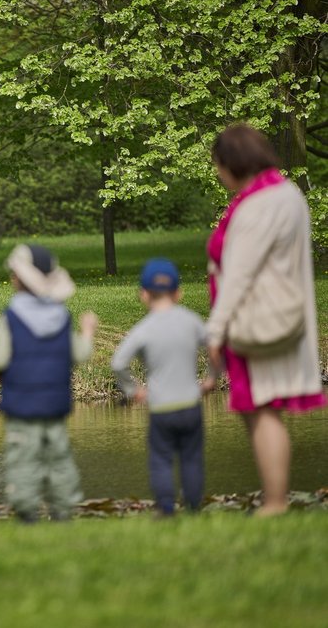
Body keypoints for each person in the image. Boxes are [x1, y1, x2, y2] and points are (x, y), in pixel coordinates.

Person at [205, 124, 326, 517]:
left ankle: (274, 501)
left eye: (219, 166)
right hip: (278, 311)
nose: (219, 175)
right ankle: (274, 496)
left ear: (232, 163)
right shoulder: (286, 194)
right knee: (261, 407)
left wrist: (216, 328)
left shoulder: (260, 204)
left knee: (262, 407)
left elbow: (239, 273)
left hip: (256, 316)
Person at [0, 244, 97, 522]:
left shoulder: (12, 317)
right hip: (55, 404)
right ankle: (63, 510)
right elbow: (80, 353)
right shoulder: (62, 316)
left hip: (22, 405)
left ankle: (28, 512)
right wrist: (88, 332)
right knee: (59, 458)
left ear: (18, 279)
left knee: (23, 460)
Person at [111, 259, 218, 516]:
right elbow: (214, 347)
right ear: (179, 293)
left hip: (161, 408)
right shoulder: (191, 320)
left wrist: (132, 390)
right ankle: (193, 507)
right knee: (191, 458)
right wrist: (211, 378)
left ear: (143, 295)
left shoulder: (143, 329)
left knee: (161, 459)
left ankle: (167, 508)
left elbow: (118, 363)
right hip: (190, 404)